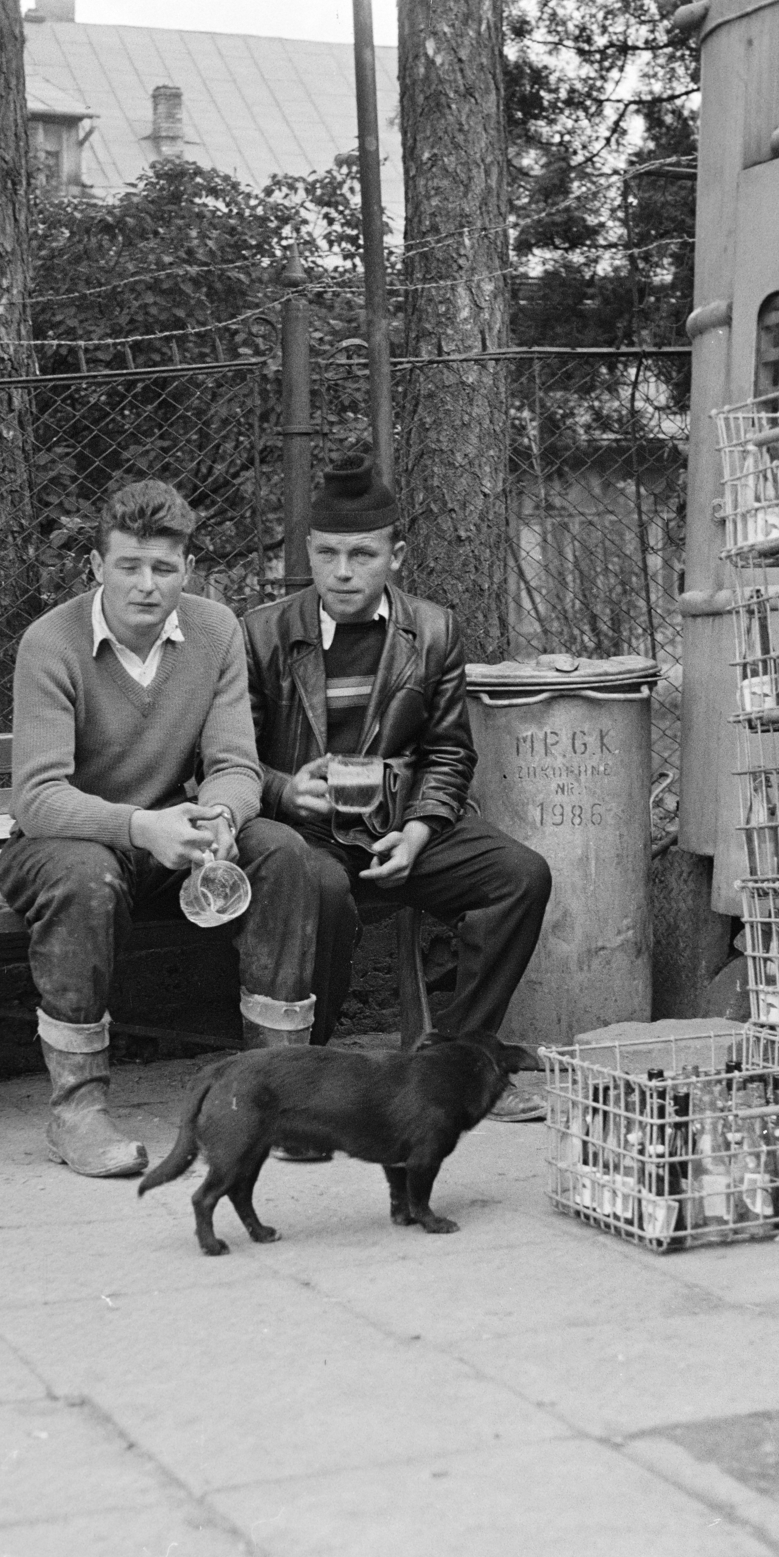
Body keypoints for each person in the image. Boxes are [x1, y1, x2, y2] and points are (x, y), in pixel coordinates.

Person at [0, 481, 321, 1178]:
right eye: (129, 567)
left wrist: (224, 817)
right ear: (96, 567)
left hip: (172, 836)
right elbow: (38, 800)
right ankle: (77, 1111)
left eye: (164, 569)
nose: (147, 585)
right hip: (63, 848)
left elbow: (236, 765)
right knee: (86, 875)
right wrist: (142, 826)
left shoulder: (214, 630)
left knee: (286, 854)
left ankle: (276, 1095)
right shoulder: (49, 643)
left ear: (189, 570)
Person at [241, 454, 552, 1121]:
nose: (343, 571)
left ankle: (457, 1062)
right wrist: (285, 792)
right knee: (318, 888)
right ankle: (302, 1072)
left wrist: (417, 832)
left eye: (362, 553)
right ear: (309, 552)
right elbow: (229, 758)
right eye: (327, 554)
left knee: (519, 875)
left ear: (396, 555)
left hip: (394, 830)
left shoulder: (432, 631)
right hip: (304, 835)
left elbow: (447, 753)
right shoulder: (263, 634)